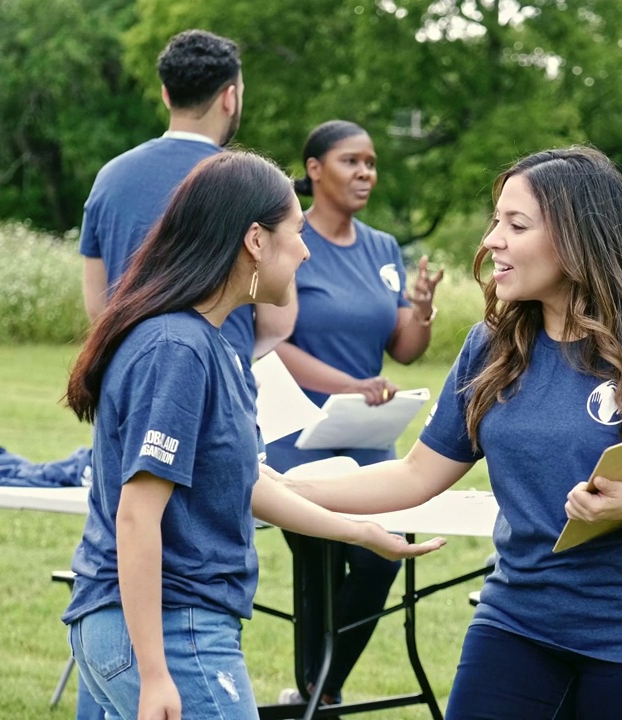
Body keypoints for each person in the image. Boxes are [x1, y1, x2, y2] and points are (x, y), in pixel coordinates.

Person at [276, 146, 622, 718]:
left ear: (578, 239)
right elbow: (418, 474)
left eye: (516, 225)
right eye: (497, 221)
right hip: (519, 620)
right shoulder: (490, 348)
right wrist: (279, 491)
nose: (492, 240)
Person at [60, 150, 443, 720]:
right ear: (256, 241)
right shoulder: (178, 349)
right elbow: (137, 516)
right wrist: (157, 672)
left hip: (151, 625)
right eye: (296, 232)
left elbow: (244, 483)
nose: (307, 250)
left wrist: (359, 532)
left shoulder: (212, 345)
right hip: (170, 627)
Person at [264, 119, 444, 708]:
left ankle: (318, 691)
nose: (365, 172)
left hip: (368, 445)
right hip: (298, 440)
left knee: (377, 560)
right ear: (314, 169)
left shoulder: (383, 247)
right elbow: (270, 342)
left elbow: (405, 349)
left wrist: (421, 309)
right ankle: (320, 696)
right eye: (351, 161)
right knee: (317, 563)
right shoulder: (289, 243)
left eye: (371, 162)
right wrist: (351, 384)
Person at [78, 29, 294, 374]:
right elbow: (277, 323)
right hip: (217, 384)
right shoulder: (250, 185)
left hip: (128, 379)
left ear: (166, 95)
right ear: (230, 97)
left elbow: (97, 305)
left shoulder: (110, 177)